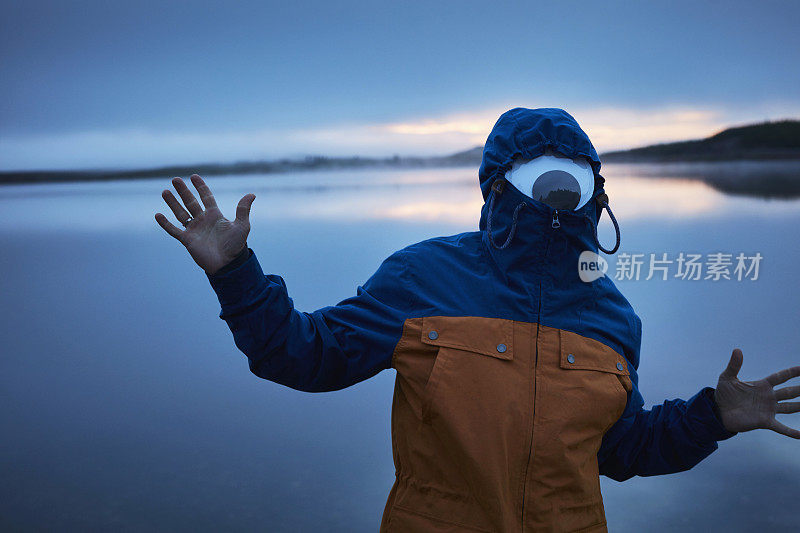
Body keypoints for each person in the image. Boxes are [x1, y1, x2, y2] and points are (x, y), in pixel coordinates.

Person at [155, 107, 800, 532]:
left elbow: (618, 449)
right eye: (536, 172)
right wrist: (235, 272)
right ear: (495, 185)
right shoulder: (424, 277)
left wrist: (711, 417)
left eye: (573, 173)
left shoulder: (612, 315)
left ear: (597, 187)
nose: (556, 187)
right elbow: (304, 356)